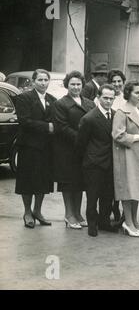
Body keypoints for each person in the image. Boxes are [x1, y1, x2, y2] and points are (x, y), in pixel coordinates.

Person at [14, 69, 57, 228]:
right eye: (40, 80)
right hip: (29, 147)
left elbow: (56, 120)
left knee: (43, 180)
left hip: (46, 148)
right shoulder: (24, 98)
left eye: (46, 80)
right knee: (27, 180)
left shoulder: (52, 100)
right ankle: (27, 212)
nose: (43, 83)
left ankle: (37, 211)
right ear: (33, 82)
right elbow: (24, 121)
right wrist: (47, 127)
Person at [53, 71, 95, 229]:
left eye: (78, 84)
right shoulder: (60, 104)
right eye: (73, 84)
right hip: (67, 150)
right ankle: (69, 214)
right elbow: (61, 127)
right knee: (68, 183)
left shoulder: (90, 103)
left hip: (84, 151)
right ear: (67, 85)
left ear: (82, 85)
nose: (76, 87)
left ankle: (77, 213)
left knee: (80, 183)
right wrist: (82, 139)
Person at [112, 81, 139, 237]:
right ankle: (128, 222)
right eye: (137, 92)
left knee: (137, 190)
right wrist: (138, 136)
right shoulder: (122, 111)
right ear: (128, 93)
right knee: (128, 190)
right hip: (127, 155)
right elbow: (117, 135)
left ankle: (135, 221)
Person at [76, 84, 117, 237]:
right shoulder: (89, 118)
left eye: (111, 98)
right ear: (98, 97)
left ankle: (104, 222)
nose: (108, 101)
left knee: (108, 195)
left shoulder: (115, 115)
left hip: (110, 163)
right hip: (94, 164)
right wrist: (88, 160)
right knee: (93, 196)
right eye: (105, 98)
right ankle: (92, 224)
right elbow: (80, 144)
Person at [107, 69, 126, 222]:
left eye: (119, 81)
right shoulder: (107, 97)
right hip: (108, 143)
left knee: (122, 178)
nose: (117, 84)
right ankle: (111, 207)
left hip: (123, 143)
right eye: (114, 82)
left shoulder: (126, 99)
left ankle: (119, 207)